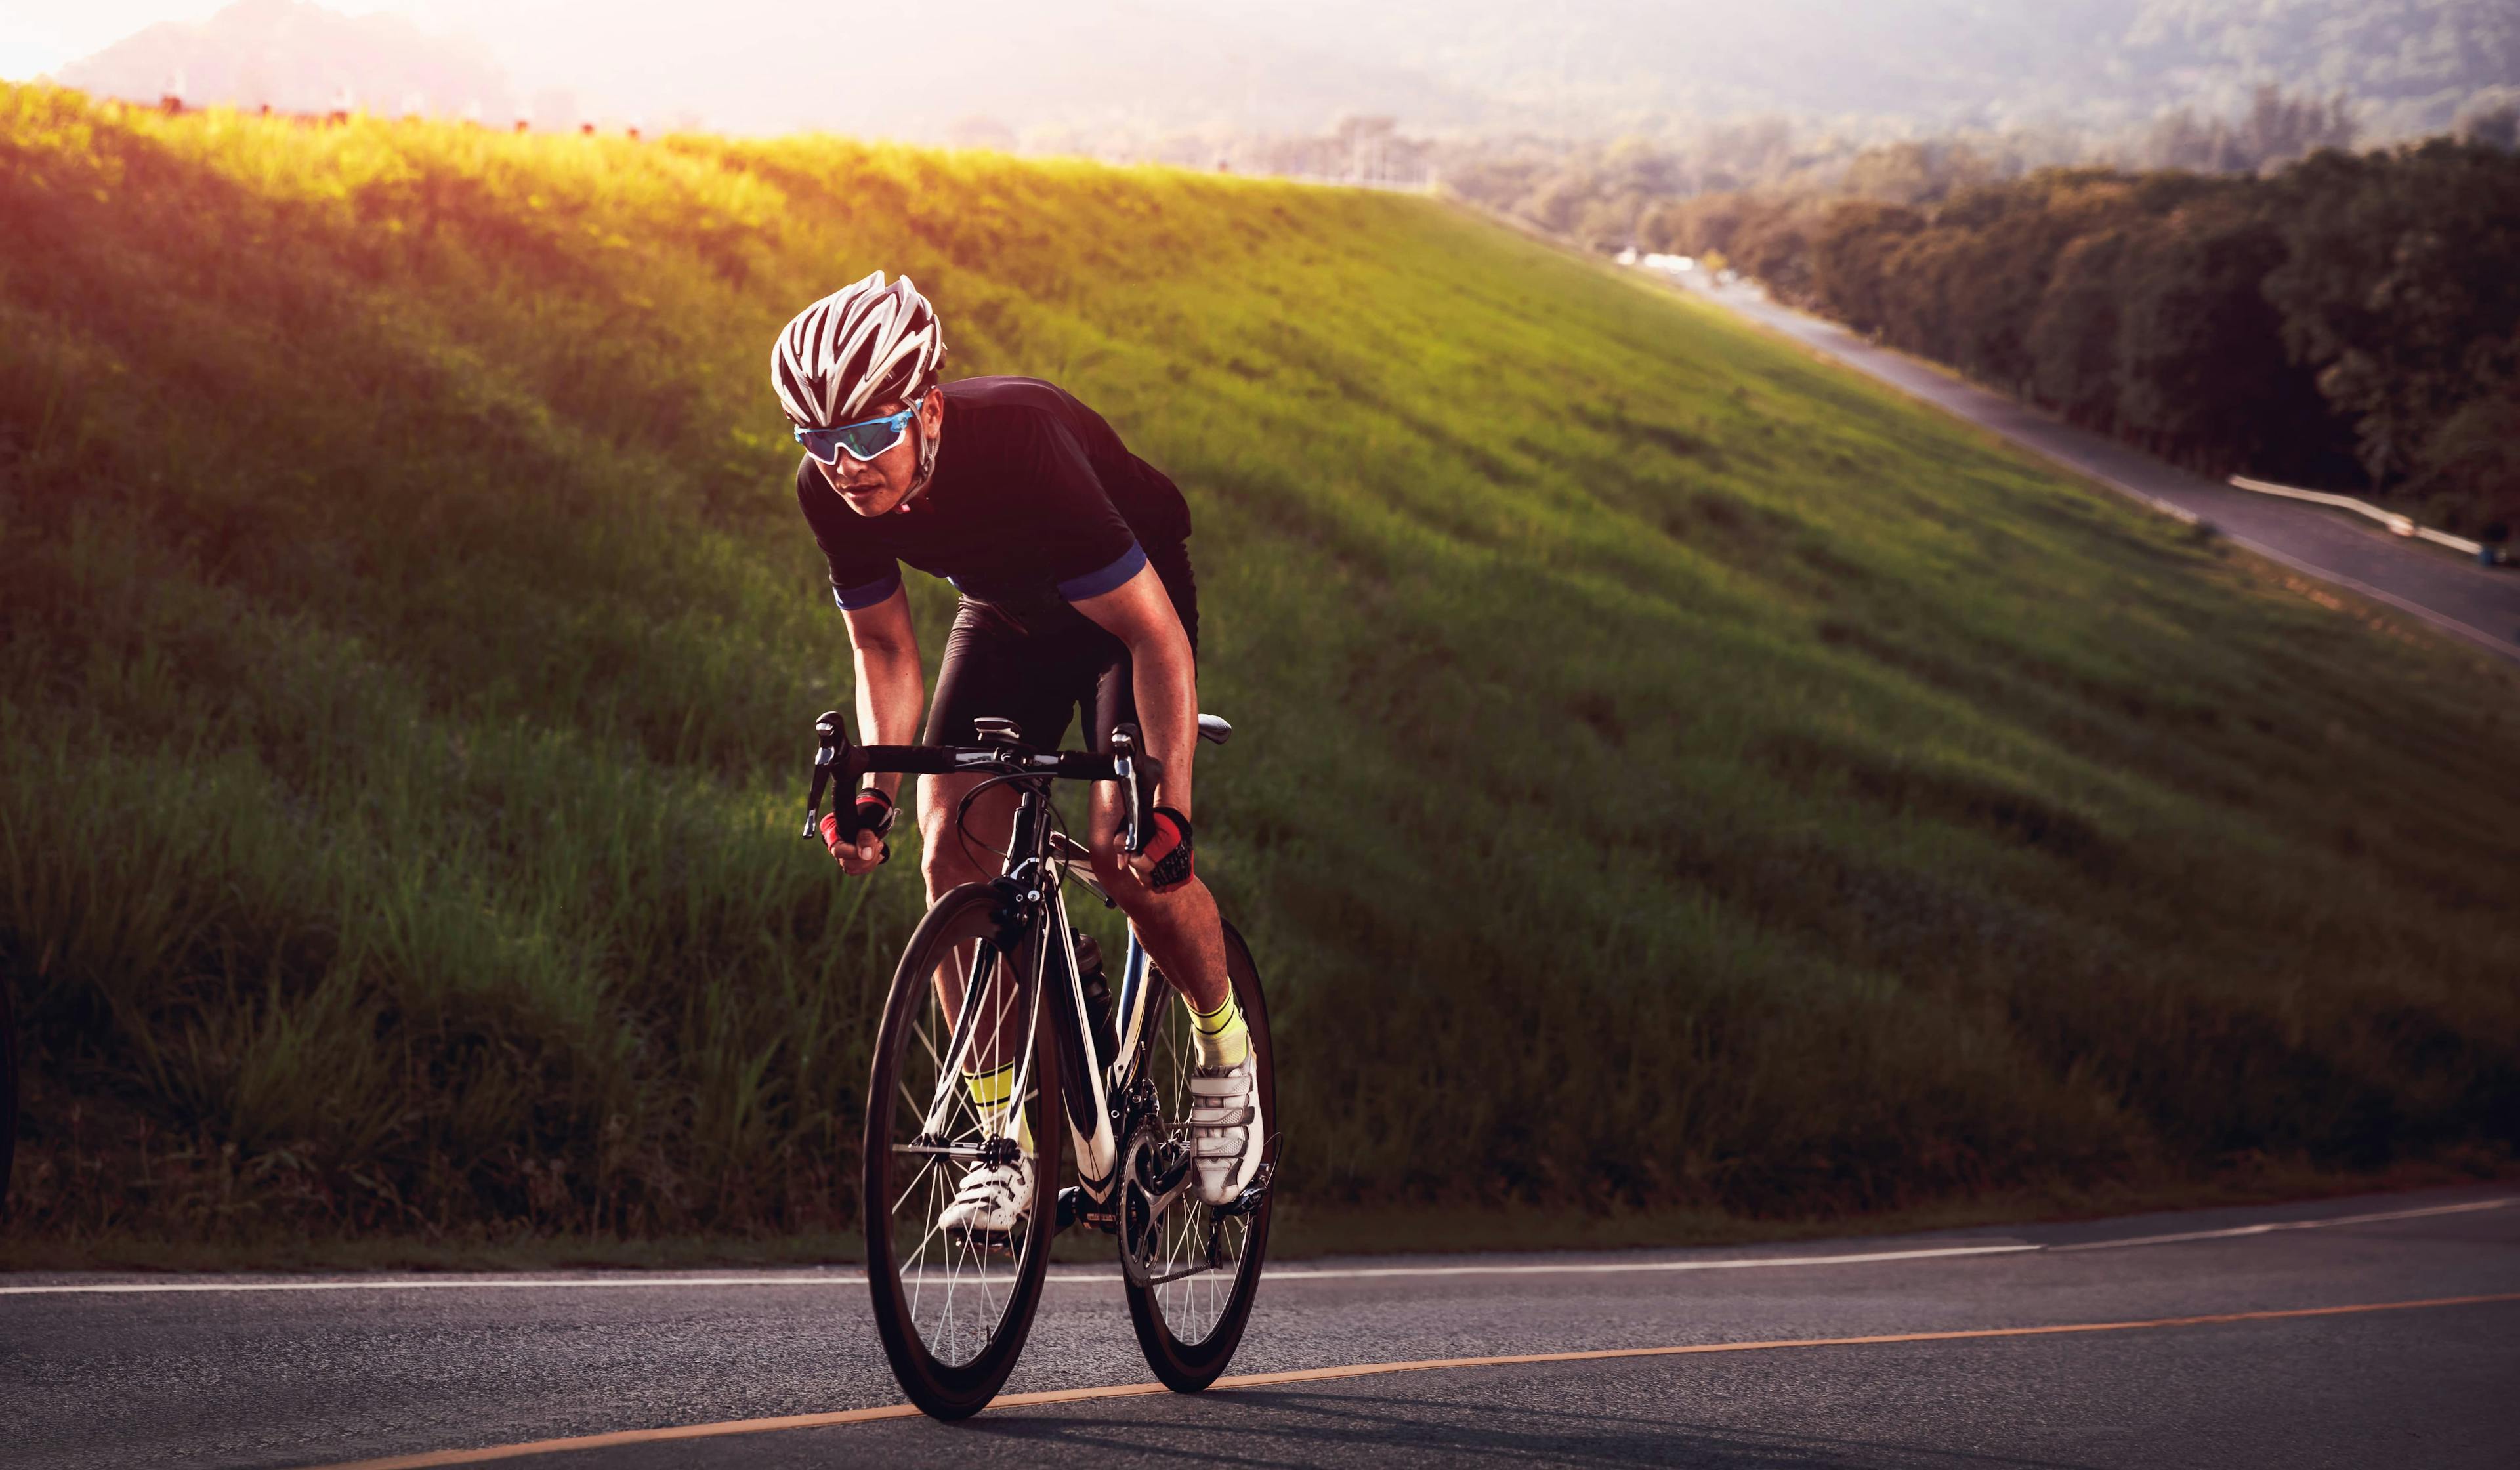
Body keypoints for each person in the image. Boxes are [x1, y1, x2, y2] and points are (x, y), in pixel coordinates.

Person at [775, 272, 1259, 1236]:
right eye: (820, 442)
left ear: (928, 408)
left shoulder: (1025, 446)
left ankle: (1225, 1053)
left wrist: (1175, 813)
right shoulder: (830, 491)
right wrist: (871, 791)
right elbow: (883, 649)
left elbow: (1154, 643)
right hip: (1007, 613)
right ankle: (1001, 1143)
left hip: (1126, 609)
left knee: (1131, 853)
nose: (846, 467)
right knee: (947, 837)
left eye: (870, 437)